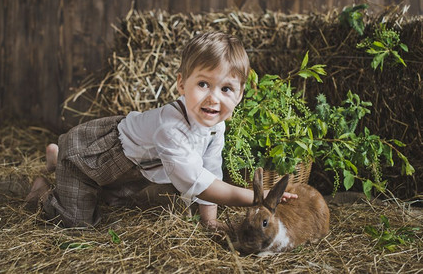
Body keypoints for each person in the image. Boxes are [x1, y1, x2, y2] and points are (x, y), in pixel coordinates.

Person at [25, 32, 297, 230]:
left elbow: (210, 172)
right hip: (92, 156)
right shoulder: (172, 127)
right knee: (77, 223)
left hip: (130, 167)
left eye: (226, 89)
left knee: (113, 202)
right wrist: (256, 198)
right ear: (181, 84)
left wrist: (210, 221)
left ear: (239, 96)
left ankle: (56, 156)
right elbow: (200, 184)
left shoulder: (216, 126)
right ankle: (47, 186)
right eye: (203, 84)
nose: (214, 98)